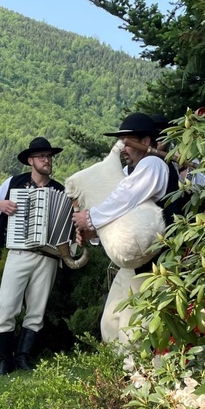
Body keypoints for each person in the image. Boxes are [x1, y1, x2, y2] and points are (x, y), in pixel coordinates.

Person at [72, 113, 173, 345]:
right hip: (132, 266)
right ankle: (122, 377)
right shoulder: (130, 172)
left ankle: (140, 378)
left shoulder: (153, 164)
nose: (122, 148)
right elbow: (121, 213)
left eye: (127, 142)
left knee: (133, 330)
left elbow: (125, 198)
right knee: (109, 325)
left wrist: (90, 218)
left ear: (146, 142)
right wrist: (94, 231)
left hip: (154, 263)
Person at [0, 137, 66, 374]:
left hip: (48, 257)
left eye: (49, 156)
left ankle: (22, 359)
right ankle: (4, 361)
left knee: (36, 311)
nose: (47, 160)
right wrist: (1, 204)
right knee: (7, 307)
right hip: (18, 251)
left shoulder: (60, 191)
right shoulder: (14, 183)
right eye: (42, 157)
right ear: (30, 161)